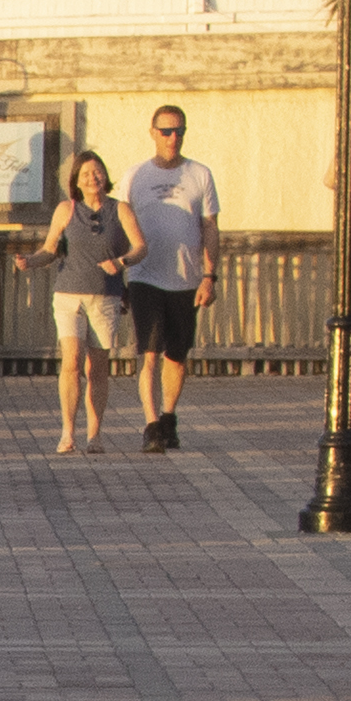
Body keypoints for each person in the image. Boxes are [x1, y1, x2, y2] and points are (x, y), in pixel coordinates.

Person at [117, 106, 219, 448]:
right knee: (149, 351)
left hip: (186, 278)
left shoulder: (200, 174)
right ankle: (150, 424)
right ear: (152, 132)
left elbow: (209, 226)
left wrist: (209, 276)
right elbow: (120, 224)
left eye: (179, 131)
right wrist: (120, 274)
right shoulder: (135, 176)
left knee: (176, 355)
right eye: (166, 131)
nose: (172, 138)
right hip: (145, 275)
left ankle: (169, 416)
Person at [35, 145, 135, 454]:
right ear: (76, 180)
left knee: (98, 367)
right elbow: (50, 249)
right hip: (68, 295)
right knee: (72, 361)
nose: (93, 178)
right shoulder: (66, 210)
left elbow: (141, 246)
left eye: (98, 172)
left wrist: (121, 263)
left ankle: (95, 435)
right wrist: (31, 259)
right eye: (86, 174)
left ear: (105, 176)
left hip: (104, 295)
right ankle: (68, 433)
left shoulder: (120, 210)